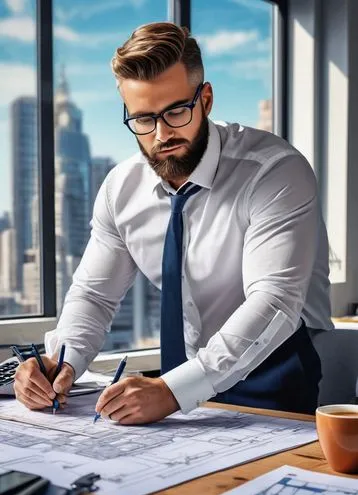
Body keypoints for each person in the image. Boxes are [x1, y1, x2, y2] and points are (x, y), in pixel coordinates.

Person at [14, 22, 333, 424]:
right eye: (143, 119)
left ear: (207, 99)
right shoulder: (120, 189)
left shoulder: (275, 171)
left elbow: (273, 302)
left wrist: (172, 389)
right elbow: (94, 297)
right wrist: (62, 362)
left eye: (176, 111)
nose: (162, 134)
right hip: (175, 388)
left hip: (272, 377)